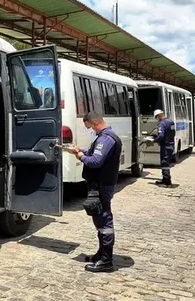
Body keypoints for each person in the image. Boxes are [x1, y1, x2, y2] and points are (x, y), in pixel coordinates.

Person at [68, 112, 122, 273]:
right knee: (99, 220)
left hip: (102, 185)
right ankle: (101, 254)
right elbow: (95, 154)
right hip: (101, 184)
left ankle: (106, 260)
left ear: (95, 122)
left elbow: (95, 161)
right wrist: (80, 150)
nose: (90, 129)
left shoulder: (106, 138)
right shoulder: (105, 137)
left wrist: (80, 156)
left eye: (90, 126)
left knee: (104, 221)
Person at [153, 109, 175, 187]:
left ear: (159, 116)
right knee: (167, 162)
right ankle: (165, 179)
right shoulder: (170, 122)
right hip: (171, 144)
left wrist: (155, 140)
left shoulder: (162, 124)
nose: (157, 119)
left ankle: (166, 181)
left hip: (165, 146)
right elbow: (172, 133)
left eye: (156, 117)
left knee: (164, 163)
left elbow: (161, 136)